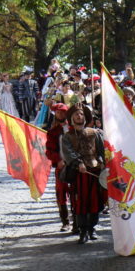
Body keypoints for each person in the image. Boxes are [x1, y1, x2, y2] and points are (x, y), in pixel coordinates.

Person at [61, 104, 105, 244]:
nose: (79, 116)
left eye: (81, 114)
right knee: (80, 202)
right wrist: (78, 163)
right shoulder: (67, 137)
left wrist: (102, 162)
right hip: (79, 174)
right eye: (76, 114)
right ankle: (83, 230)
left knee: (95, 201)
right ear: (72, 118)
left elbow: (101, 150)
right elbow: (68, 153)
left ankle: (92, 228)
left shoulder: (95, 133)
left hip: (94, 171)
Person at [45, 103, 76, 233]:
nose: (61, 114)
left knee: (76, 193)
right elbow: (49, 151)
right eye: (58, 112)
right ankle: (65, 222)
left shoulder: (74, 129)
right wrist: (58, 160)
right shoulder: (52, 132)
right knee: (61, 194)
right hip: (61, 167)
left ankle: (77, 221)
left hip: (75, 165)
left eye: (63, 112)